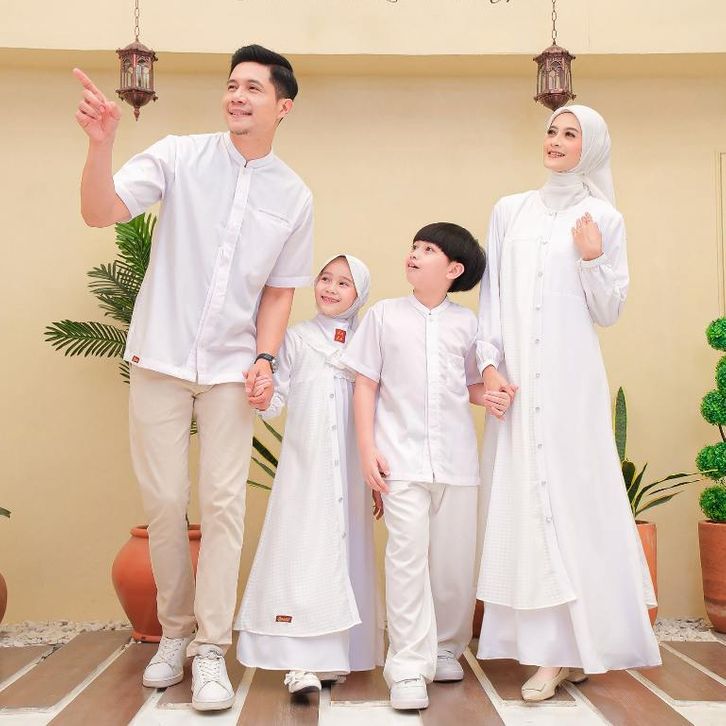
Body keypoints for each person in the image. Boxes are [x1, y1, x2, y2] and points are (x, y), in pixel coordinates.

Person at [73, 44, 313, 711]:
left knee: (225, 505)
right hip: (160, 357)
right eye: (232, 85)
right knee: (164, 502)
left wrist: (265, 360)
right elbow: (100, 211)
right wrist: (101, 145)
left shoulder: (294, 195)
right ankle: (174, 634)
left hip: (234, 370)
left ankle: (210, 648)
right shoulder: (179, 156)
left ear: (283, 106)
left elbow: (279, 292)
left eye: (253, 88)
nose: (237, 96)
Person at [475, 104, 661, 703]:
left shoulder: (603, 218)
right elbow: (491, 299)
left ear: (592, 148)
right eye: (552, 130)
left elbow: (608, 311)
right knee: (527, 501)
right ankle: (554, 649)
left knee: (570, 502)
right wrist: (489, 367)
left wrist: (593, 257)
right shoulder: (509, 211)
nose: (555, 140)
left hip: (570, 384)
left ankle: (567, 650)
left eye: (570, 133)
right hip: (517, 386)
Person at [342, 223, 510, 711]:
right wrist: (367, 448)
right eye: (414, 246)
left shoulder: (467, 325)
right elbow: (365, 384)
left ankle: (445, 648)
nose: (414, 254)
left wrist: (489, 396)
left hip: (457, 462)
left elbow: (468, 386)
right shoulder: (384, 316)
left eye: (428, 249)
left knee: (454, 564)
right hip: (400, 460)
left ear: (454, 269)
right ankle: (408, 665)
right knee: (406, 559)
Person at [235, 254, 384, 694]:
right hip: (307, 469)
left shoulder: (368, 344)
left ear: (360, 293)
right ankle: (300, 661)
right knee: (305, 555)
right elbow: (275, 400)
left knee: (345, 555)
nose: (331, 288)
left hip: (352, 474)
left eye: (343, 283)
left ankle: (336, 656)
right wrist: (262, 397)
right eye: (325, 279)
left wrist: (377, 473)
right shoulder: (296, 339)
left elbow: (380, 411)